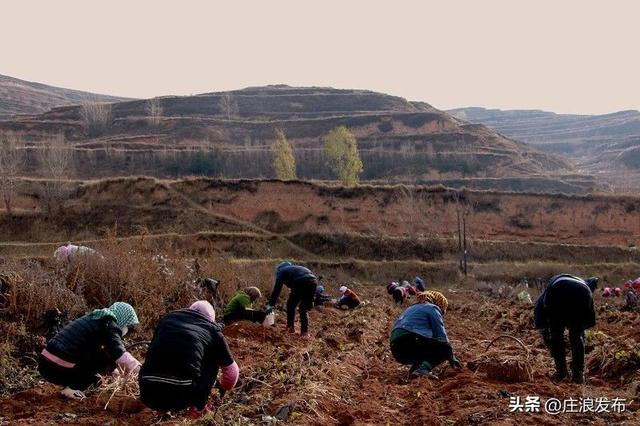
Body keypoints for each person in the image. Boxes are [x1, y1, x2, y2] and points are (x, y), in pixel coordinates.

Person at [139, 301, 239, 418]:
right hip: (182, 396)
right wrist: (222, 389)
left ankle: (161, 410)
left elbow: (151, 352)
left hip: (148, 392)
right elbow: (232, 373)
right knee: (211, 359)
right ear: (211, 319)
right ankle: (197, 409)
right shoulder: (213, 331)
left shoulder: (166, 321)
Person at [38, 302, 141, 400]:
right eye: (128, 325)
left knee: (101, 355)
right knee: (101, 362)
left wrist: (115, 374)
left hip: (45, 364)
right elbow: (119, 354)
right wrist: (141, 371)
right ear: (123, 319)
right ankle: (73, 388)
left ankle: (72, 386)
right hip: (59, 366)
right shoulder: (109, 324)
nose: (127, 329)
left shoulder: (95, 318)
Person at [534, 274, 598, 384]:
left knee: (556, 335)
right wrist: (580, 330)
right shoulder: (585, 287)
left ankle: (561, 372)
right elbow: (590, 318)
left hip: (558, 291)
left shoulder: (552, 284)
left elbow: (539, 308)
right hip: (582, 295)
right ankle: (578, 374)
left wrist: (544, 332)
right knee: (576, 336)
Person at [389, 293, 460, 378]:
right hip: (409, 341)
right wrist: (451, 356)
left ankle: (415, 371)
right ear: (439, 304)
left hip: (396, 348)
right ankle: (423, 370)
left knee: (426, 347)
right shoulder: (432, 308)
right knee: (444, 347)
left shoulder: (411, 308)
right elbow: (441, 336)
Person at [266, 261, 318, 337]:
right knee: (303, 308)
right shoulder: (296, 269)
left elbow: (277, 289)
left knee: (291, 305)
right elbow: (310, 278)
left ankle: (290, 328)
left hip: (300, 282)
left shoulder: (281, 271)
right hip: (313, 282)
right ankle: (305, 332)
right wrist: (310, 301)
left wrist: (270, 305)